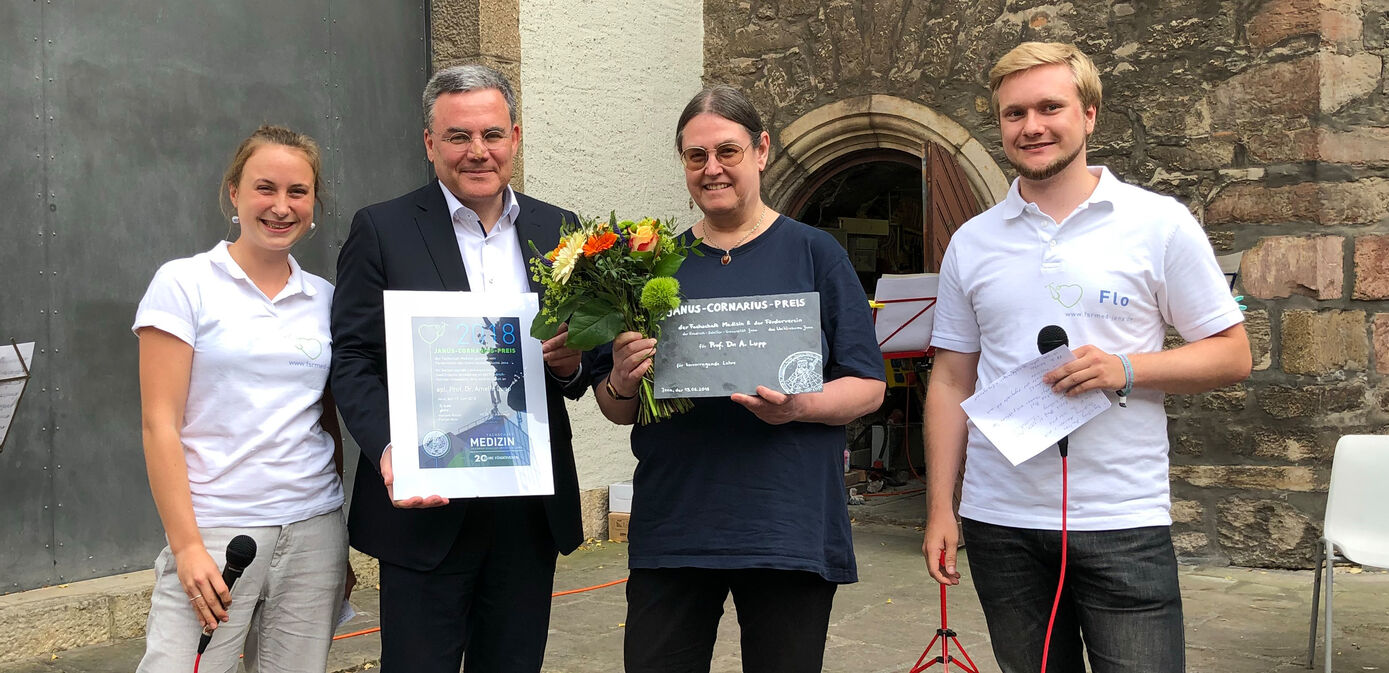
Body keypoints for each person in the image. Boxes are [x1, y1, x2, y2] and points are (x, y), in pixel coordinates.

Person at [921, 42, 1252, 672]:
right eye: (1014, 113)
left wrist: (1128, 368)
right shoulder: (973, 240)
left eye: (1050, 106)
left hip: (1121, 517)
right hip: (1000, 519)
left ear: (1090, 113)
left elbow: (1233, 354)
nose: (1032, 126)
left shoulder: (1159, 223)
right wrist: (942, 506)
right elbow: (951, 379)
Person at [594, 85, 886, 673]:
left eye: (727, 151)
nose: (712, 169)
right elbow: (617, 406)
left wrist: (798, 407)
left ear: (761, 151)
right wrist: (623, 380)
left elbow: (868, 386)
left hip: (785, 522)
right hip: (676, 523)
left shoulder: (815, 254)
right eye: (696, 156)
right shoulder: (653, 264)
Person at [329, 64, 589, 673]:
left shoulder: (561, 231)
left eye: (492, 134)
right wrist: (390, 446)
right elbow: (355, 359)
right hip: (428, 507)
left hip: (525, 514)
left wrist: (571, 365)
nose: (478, 152)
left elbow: (583, 368)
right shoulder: (382, 229)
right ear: (429, 143)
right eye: (458, 137)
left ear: (516, 137)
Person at [133, 125, 352, 672]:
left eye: (297, 192)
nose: (281, 207)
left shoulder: (324, 298)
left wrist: (340, 534)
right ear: (233, 192)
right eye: (265, 188)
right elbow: (159, 424)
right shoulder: (184, 284)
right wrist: (185, 546)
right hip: (215, 529)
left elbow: (325, 419)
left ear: (313, 203)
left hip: (313, 528)